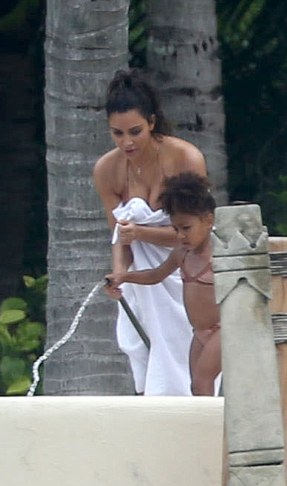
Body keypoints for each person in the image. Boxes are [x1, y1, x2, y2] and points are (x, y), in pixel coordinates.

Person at [94, 68, 208, 396]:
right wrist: (119, 273)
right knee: (143, 348)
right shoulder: (107, 170)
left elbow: (199, 232)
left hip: (185, 266)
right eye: (117, 134)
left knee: (189, 351)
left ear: (152, 122)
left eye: (135, 132)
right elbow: (119, 235)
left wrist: (142, 234)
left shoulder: (185, 158)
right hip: (141, 275)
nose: (127, 142)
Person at [106, 173, 221, 396]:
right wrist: (124, 277)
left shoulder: (221, 256)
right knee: (195, 387)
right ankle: (205, 419)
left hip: (220, 329)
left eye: (186, 228)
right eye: (176, 229)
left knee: (203, 380)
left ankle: (212, 420)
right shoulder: (182, 254)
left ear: (208, 221)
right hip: (199, 332)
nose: (181, 236)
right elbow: (156, 275)